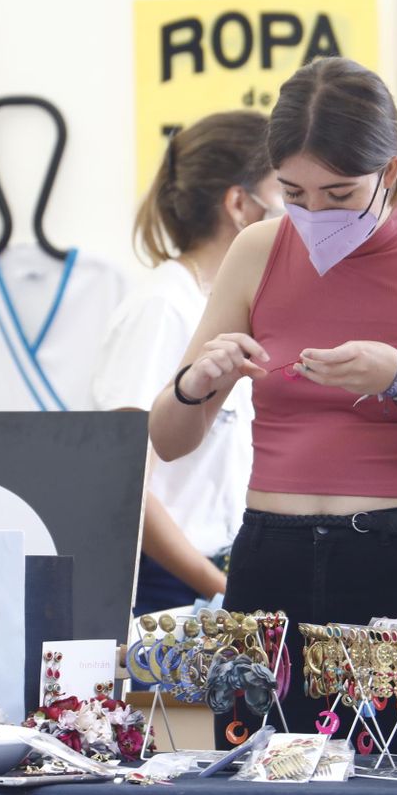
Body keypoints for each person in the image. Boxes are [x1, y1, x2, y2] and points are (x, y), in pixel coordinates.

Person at [148, 57, 397, 737]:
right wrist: (195, 383)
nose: (315, 215)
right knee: (254, 784)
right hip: (269, 564)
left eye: (340, 194)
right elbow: (168, 439)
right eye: (294, 193)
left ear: (391, 172)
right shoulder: (257, 250)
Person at [93, 111, 281, 615]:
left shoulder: (218, 301)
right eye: (285, 192)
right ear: (239, 204)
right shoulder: (162, 306)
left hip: (220, 574)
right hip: (170, 588)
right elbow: (126, 479)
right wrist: (219, 587)